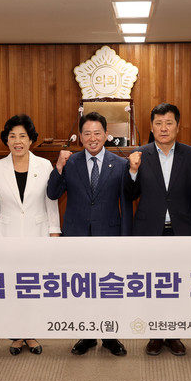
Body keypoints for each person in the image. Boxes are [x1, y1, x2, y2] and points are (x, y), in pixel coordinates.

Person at [47, 111, 132, 357]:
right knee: (82, 287)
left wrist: (126, 240)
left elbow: (126, 205)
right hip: (77, 236)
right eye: (87, 133)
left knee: (107, 287)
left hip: (109, 236)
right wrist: (58, 166)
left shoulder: (121, 164)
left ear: (106, 135)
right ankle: (86, 334)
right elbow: (53, 193)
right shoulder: (71, 163)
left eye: (97, 133)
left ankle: (110, 336)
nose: (92, 138)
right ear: (80, 137)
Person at [0, 114, 61, 356]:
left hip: (37, 233)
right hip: (7, 236)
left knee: (33, 285)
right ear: (7, 140)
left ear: (31, 140)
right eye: (12, 136)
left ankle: (30, 334)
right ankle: (16, 335)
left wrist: (54, 232)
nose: (18, 141)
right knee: (12, 286)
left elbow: (51, 202)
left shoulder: (44, 165)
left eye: (23, 136)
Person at [125, 103, 191, 356]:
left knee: (178, 285)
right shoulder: (140, 154)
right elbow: (130, 194)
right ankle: (155, 334)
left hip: (182, 231)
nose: (163, 128)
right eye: (158, 123)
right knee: (153, 285)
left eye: (169, 123)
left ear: (178, 126)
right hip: (150, 231)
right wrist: (132, 171)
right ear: (151, 127)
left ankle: (174, 334)